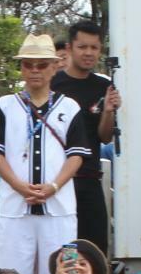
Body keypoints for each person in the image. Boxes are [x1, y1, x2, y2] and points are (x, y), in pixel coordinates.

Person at [0, 32, 97, 274]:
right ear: (20, 67)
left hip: (59, 209)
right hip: (15, 208)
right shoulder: (4, 106)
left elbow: (76, 155)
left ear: (55, 66)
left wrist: (53, 186)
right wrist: (18, 186)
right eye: (28, 64)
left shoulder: (70, 107)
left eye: (42, 64)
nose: (35, 71)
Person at [48, 21, 120, 258]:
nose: (88, 53)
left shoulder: (104, 86)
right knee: (63, 248)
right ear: (69, 48)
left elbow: (105, 136)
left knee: (94, 248)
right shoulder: (53, 85)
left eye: (94, 47)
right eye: (82, 47)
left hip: (90, 179)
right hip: (57, 182)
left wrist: (109, 110)